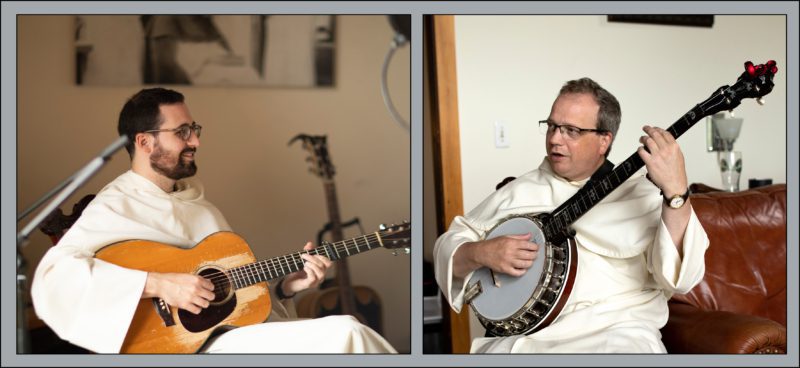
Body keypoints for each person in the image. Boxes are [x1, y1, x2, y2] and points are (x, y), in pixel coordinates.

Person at [30, 87, 397, 354]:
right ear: (144, 143)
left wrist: (288, 286)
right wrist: (158, 284)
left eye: (195, 130)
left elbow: (236, 304)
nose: (196, 142)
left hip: (223, 339)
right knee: (345, 331)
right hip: (176, 349)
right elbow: (54, 280)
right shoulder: (114, 207)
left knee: (345, 332)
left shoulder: (202, 209)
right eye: (182, 133)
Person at [433, 77, 709, 353]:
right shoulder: (520, 191)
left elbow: (682, 278)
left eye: (571, 130)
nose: (554, 138)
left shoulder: (641, 197)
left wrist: (676, 191)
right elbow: (451, 244)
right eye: (552, 126)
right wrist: (481, 252)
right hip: (527, 341)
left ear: (604, 141)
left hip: (616, 334)